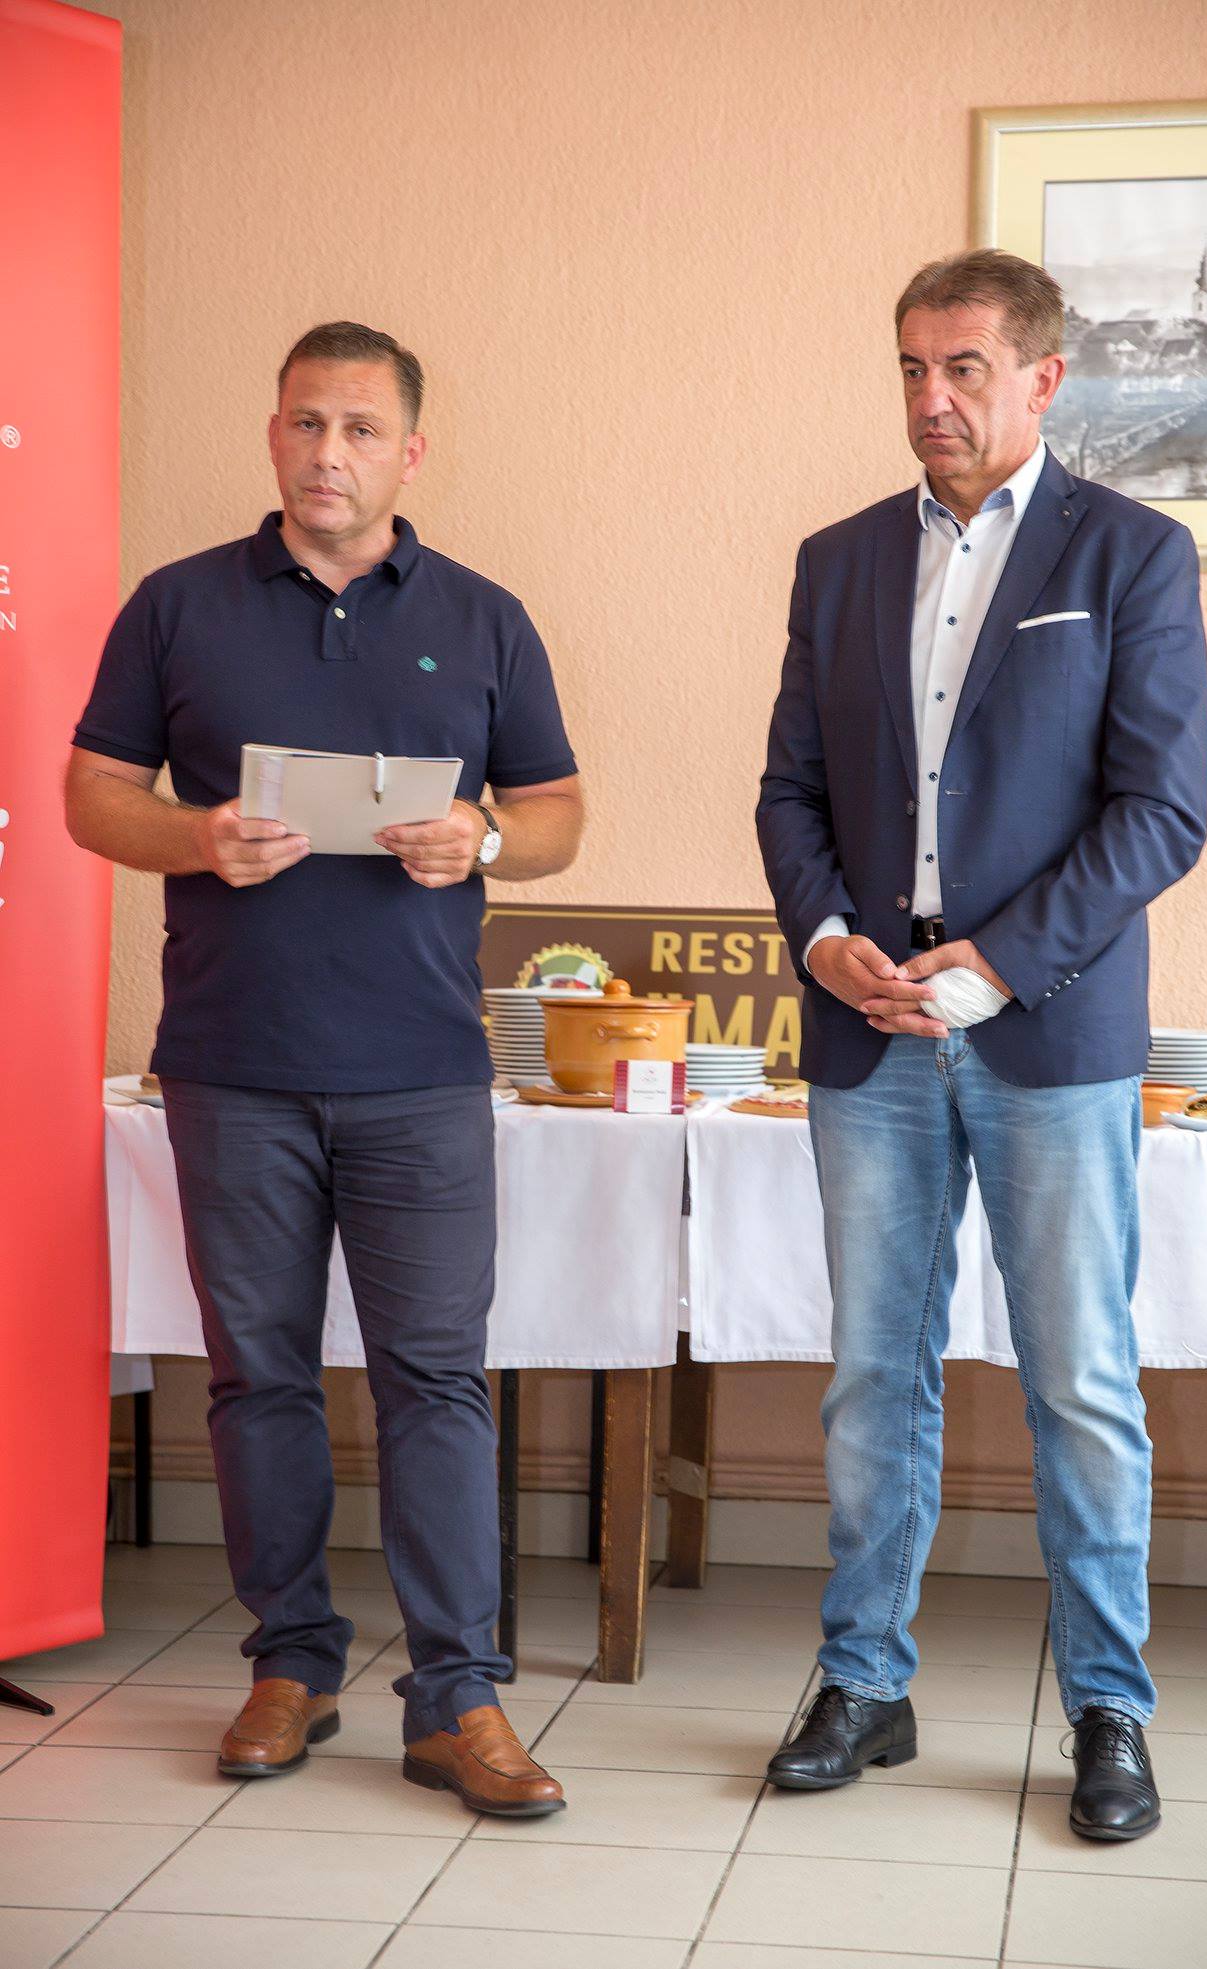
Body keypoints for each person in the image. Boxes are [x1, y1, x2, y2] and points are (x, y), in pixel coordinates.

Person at [67, 321, 583, 1817]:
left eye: (360, 429)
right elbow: (91, 794)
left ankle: (459, 1697)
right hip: (232, 1066)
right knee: (258, 1378)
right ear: (273, 435)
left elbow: (558, 812)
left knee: (437, 1383)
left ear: (410, 452)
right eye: (306, 423)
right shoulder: (177, 606)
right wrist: (194, 835)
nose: (329, 453)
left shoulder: (484, 617)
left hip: (422, 1071)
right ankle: (289, 1663)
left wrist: (484, 836)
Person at [756, 250, 1207, 1843]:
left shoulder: (1132, 552)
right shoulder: (836, 559)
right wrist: (825, 937)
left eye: (961, 366)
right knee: (871, 1378)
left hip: (1049, 1031)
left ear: (1041, 378)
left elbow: (1160, 809)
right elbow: (789, 790)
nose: (930, 398)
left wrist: (999, 962)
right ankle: (862, 1682)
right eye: (909, 366)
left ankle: (1107, 1711)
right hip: (867, 1027)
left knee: (1076, 1381)